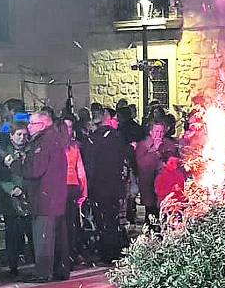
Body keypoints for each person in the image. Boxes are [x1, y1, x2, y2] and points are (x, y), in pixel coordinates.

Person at [7, 111, 70, 282]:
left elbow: (34, 170)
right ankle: (59, 269)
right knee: (57, 237)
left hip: (44, 198)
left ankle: (43, 272)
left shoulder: (43, 143)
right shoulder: (55, 139)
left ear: (42, 125)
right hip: (55, 197)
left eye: (32, 124)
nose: (28, 127)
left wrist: (14, 164)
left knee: (44, 236)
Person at [83, 108, 132, 262]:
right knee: (112, 219)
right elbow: (121, 161)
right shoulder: (115, 137)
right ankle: (112, 251)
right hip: (112, 186)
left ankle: (104, 251)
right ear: (109, 119)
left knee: (101, 219)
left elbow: (89, 165)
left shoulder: (91, 139)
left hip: (96, 186)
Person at [0, 123, 33, 276]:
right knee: (12, 233)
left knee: (31, 232)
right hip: (11, 199)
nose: (22, 138)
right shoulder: (3, 152)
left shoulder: (31, 150)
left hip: (29, 196)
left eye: (24, 135)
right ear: (11, 136)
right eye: (18, 134)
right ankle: (13, 264)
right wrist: (11, 189)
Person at [135, 122, 179, 223]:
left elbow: (173, 160)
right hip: (148, 185)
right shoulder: (143, 145)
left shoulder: (169, 144)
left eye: (161, 132)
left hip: (164, 188)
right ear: (151, 132)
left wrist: (162, 150)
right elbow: (142, 163)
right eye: (156, 131)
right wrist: (154, 149)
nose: (158, 135)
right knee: (150, 215)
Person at [63, 116, 88, 261]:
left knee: (71, 223)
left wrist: (84, 191)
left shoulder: (74, 147)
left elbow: (80, 170)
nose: (68, 130)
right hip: (61, 188)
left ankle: (71, 252)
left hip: (71, 187)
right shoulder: (60, 146)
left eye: (70, 127)